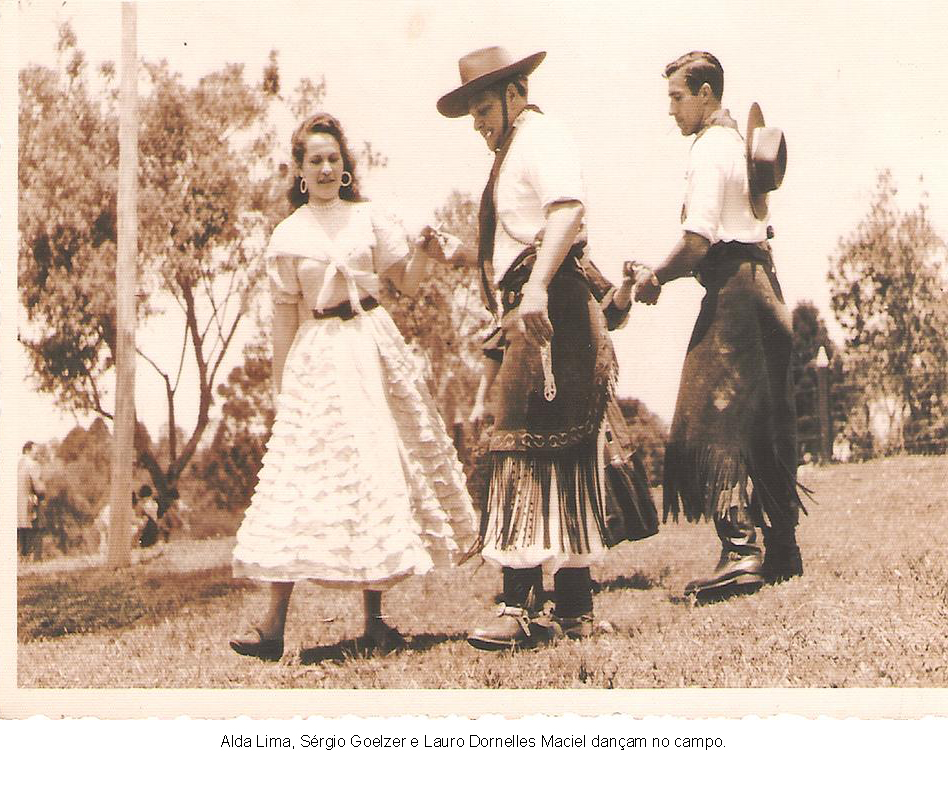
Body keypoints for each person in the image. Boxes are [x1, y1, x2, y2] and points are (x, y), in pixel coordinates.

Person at [229, 112, 476, 660]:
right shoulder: (288, 236)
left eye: (332, 159)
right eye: (314, 160)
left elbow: (405, 284)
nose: (324, 168)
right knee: (300, 478)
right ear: (299, 171)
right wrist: (281, 391)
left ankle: (375, 623)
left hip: (370, 344)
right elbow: (284, 321)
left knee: (375, 474)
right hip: (318, 356)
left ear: (344, 167)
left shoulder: (368, 218)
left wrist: (423, 252)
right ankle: (272, 627)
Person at [430, 47, 638, 650]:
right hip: (537, 306)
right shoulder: (515, 149)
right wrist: (472, 261)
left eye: (483, 108)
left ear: (515, 93)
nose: (477, 122)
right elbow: (518, 242)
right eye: (472, 112)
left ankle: (519, 607)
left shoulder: (540, 137)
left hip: (551, 311)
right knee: (555, 453)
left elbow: (567, 211)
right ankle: (573, 609)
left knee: (521, 448)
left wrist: (539, 287)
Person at [630, 51, 804, 600]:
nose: (671, 110)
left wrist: (654, 278)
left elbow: (697, 241)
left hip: (734, 296)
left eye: (677, 97)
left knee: (705, 420)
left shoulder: (709, 148)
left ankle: (740, 553)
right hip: (766, 291)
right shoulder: (737, 144)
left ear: (705, 94)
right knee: (764, 424)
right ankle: (782, 550)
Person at [17, 442, 45, 560]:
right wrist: (42, 494)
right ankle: (36, 560)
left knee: (20, 531)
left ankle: (22, 558)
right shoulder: (33, 465)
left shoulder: (17, 464)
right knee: (37, 528)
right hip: (30, 504)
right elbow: (39, 488)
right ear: (27, 451)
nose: (37, 454)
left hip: (17, 506)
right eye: (35, 451)